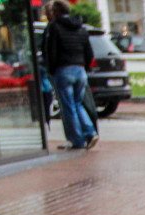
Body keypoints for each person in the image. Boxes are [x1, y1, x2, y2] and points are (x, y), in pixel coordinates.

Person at [43, 0, 98, 150]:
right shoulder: (80, 27)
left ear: (56, 12)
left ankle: (77, 140)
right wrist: (83, 66)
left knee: (68, 106)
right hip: (79, 70)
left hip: (63, 70)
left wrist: (52, 69)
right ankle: (90, 131)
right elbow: (89, 52)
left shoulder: (55, 27)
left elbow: (51, 50)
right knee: (78, 103)